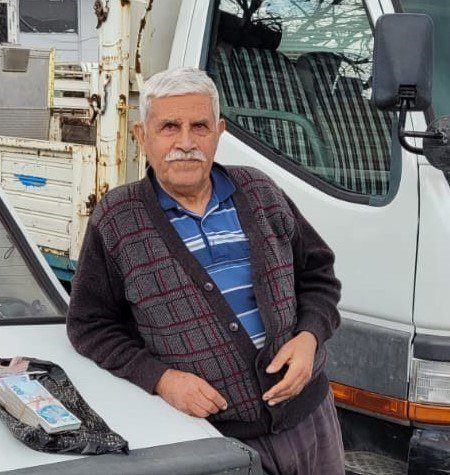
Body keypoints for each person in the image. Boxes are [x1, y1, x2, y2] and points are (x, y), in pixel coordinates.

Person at [67, 67, 345, 474]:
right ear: (142, 136)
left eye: (199, 126)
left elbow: (318, 276)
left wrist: (309, 338)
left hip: (310, 418)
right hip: (213, 440)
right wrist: (162, 379)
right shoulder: (117, 218)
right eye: (169, 127)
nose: (185, 142)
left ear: (219, 132)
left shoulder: (260, 191)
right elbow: (89, 325)